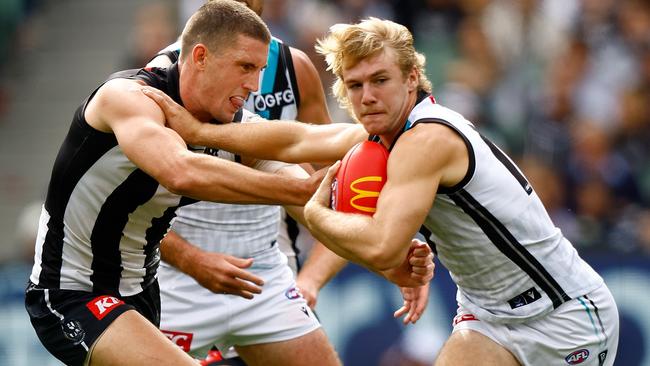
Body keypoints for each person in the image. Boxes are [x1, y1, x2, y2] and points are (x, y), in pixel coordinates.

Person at [141, 17, 620, 366]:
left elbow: (381, 244)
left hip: (564, 315)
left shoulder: (426, 139)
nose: (367, 96)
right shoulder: (385, 133)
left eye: (380, 80)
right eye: (354, 85)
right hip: (489, 316)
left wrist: (314, 208)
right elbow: (292, 137)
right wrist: (198, 130)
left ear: (413, 78)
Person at [23, 2, 328, 365]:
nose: (255, 85)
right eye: (245, 67)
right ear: (199, 56)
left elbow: (294, 169)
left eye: (261, 70)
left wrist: (386, 252)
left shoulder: (225, 120)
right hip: (73, 292)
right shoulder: (128, 97)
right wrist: (298, 190)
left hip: (143, 292)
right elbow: (180, 171)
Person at [146, 3, 433, 365]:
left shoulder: (292, 69)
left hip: (268, 274)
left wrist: (320, 276)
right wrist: (192, 260)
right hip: (179, 283)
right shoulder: (162, 78)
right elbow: (135, 207)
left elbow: (330, 189)